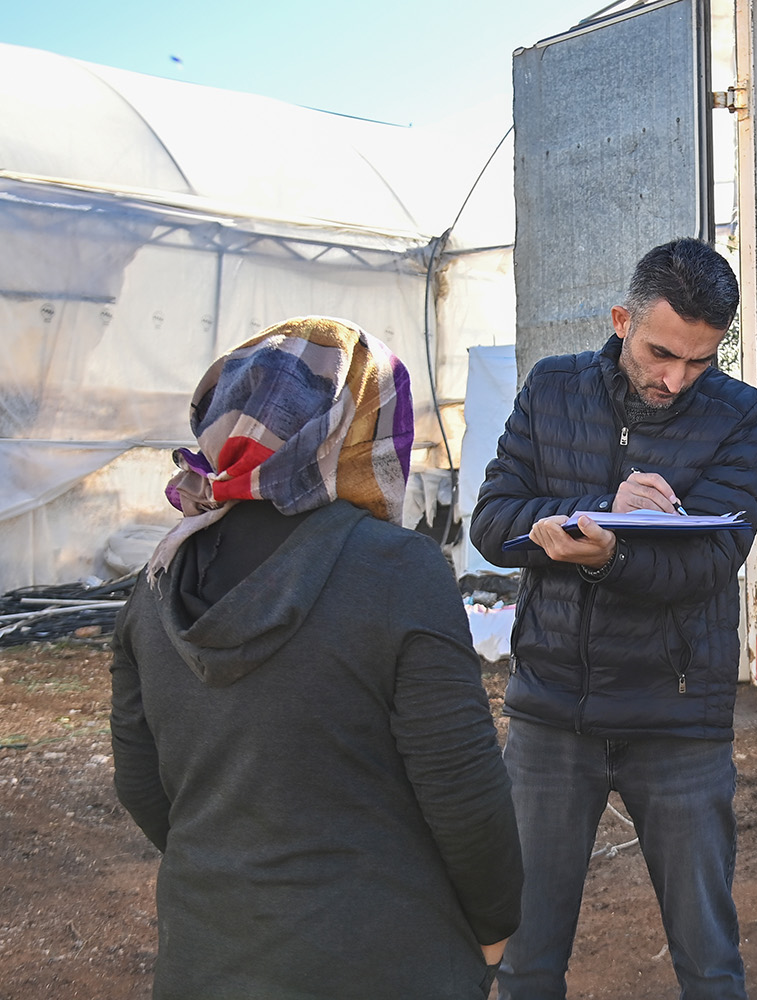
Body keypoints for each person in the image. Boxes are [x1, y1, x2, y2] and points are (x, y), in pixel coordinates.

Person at [110, 317, 523, 999]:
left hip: (207, 959)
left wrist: (235, 874)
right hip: (386, 961)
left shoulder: (155, 583)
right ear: (352, 433)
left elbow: (141, 786)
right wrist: (495, 925)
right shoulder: (398, 572)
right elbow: (463, 794)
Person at [470, 237, 757, 1000]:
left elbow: (710, 559)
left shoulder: (739, 414)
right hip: (552, 713)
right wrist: (594, 513)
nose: (675, 379)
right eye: (662, 353)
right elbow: (492, 524)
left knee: (709, 958)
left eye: (698, 361)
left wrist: (609, 555)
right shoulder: (551, 388)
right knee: (527, 956)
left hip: (676, 717)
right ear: (620, 320)